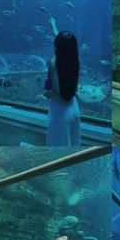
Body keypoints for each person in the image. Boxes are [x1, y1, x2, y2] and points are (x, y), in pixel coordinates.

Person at [44, 17, 80, 146]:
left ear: (58, 47)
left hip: (60, 112)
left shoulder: (55, 63)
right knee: (74, 147)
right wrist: (53, 24)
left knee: (58, 150)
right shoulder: (74, 59)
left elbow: (57, 91)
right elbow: (61, 41)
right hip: (74, 107)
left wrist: (46, 94)